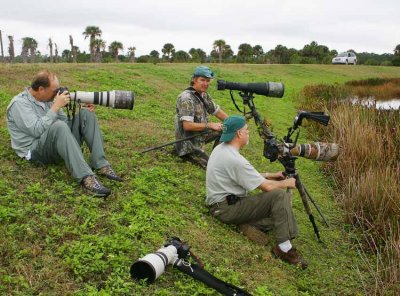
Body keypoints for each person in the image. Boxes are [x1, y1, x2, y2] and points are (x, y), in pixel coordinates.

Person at [206, 115, 307, 268]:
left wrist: (271, 175)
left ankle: (250, 225)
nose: (248, 133)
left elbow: (243, 175)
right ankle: (284, 248)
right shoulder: (235, 159)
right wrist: (287, 182)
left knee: (280, 214)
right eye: (247, 130)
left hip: (221, 206)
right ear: (239, 133)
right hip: (226, 209)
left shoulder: (221, 148)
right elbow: (267, 187)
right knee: (279, 196)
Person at [6, 70, 122, 197]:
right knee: (59, 126)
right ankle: (86, 178)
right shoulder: (19, 104)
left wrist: (80, 111)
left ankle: (101, 164)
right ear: (41, 89)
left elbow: (64, 124)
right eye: (55, 90)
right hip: (34, 150)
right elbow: (36, 130)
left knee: (86, 115)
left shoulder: (49, 99)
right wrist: (55, 107)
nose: (58, 93)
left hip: (53, 142)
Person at [175, 66, 228, 169]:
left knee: (225, 129)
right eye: (202, 80)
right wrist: (210, 125)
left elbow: (217, 111)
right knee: (214, 168)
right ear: (194, 80)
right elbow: (187, 126)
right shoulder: (186, 98)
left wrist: (234, 123)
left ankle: (216, 158)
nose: (205, 83)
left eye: (208, 81)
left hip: (200, 136)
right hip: (188, 143)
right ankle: (186, 153)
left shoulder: (203, 95)